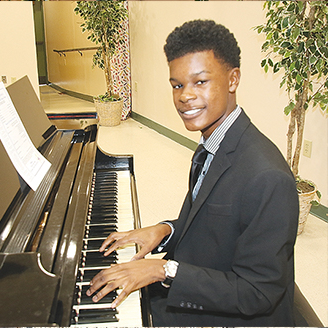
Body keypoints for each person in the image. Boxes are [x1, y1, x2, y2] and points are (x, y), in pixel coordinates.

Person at [85, 19, 299, 326]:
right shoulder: (213, 145)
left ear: (232, 79)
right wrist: (164, 231)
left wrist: (163, 269)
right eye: (177, 85)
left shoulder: (267, 177)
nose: (185, 96)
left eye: (200, 82)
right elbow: (212, 223)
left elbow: (258, 294)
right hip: (208, 282)